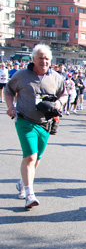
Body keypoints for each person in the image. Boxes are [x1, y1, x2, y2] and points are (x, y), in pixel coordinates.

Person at [5, 44, 67, 208]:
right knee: (30, 156)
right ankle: (29, 193)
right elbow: (8, 90)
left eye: (47, 58)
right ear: (33, 59)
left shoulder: (56, 77)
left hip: (45, 123)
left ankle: (22, 181)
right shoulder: (21, 75)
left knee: (36, 159)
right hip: (25, 121)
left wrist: (60, 102)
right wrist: (10, 106)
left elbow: (65, 94)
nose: (44, 61)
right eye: (40, 58)